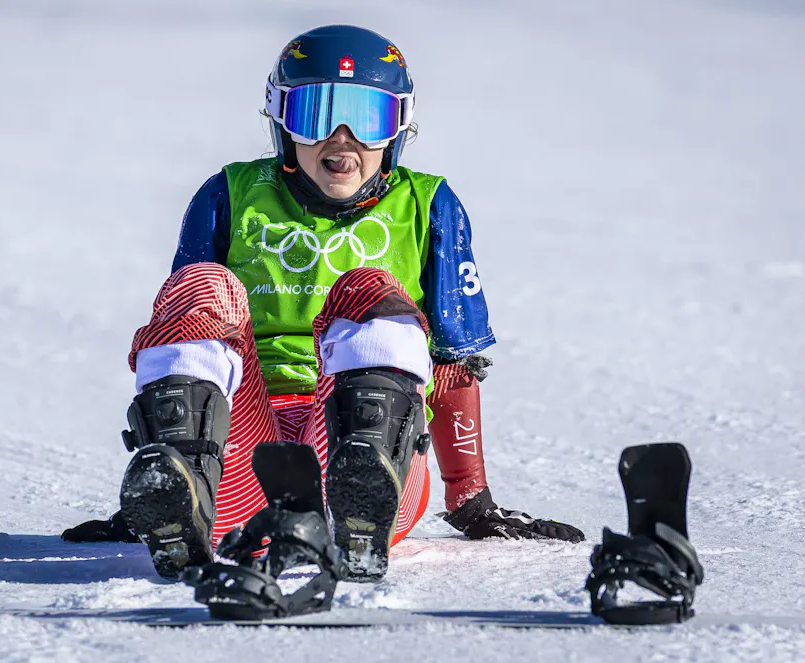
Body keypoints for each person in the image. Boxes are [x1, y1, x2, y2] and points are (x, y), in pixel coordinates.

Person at [62, 25, 584, 581]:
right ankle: (182, 486)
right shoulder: (229, 196)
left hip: (371, 476)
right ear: (282, 121)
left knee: (370, 289)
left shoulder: (428, 206)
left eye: (368, 118)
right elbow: (182, 340)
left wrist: (471, 498)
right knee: (200, 286)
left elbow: (455, 367)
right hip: (241, 469)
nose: (342, 138)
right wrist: (157, 478)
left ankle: (361, 494)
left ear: (398, 128)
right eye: (316, 114)